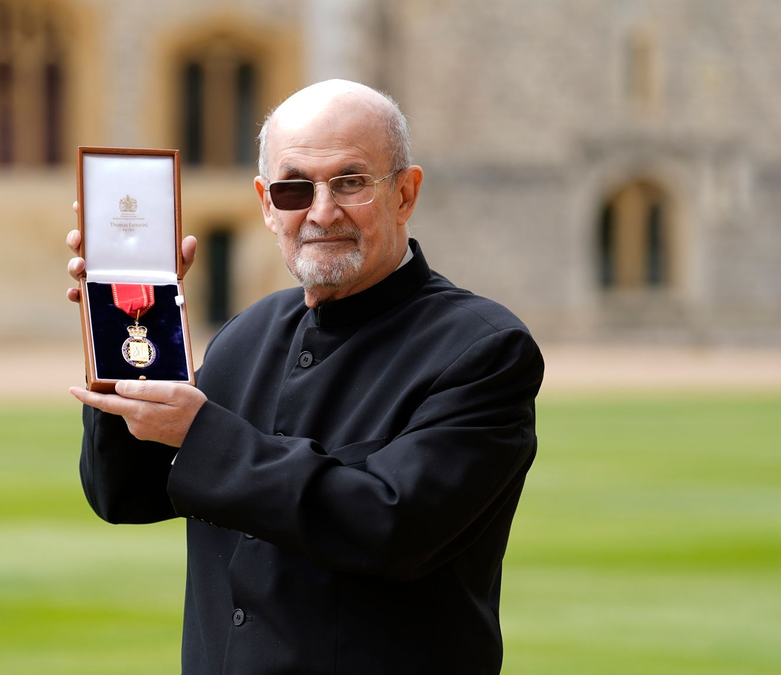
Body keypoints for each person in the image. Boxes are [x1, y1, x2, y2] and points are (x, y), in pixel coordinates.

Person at [64, 79, 543, 675]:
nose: (321, 211)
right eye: (295, 188)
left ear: (405, 193)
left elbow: (391, 526)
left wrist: (204, 434)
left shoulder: (483, 348)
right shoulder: (249, 332)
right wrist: (128, 332)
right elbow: (125, 495)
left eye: (351, 182)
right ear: (267, 204)